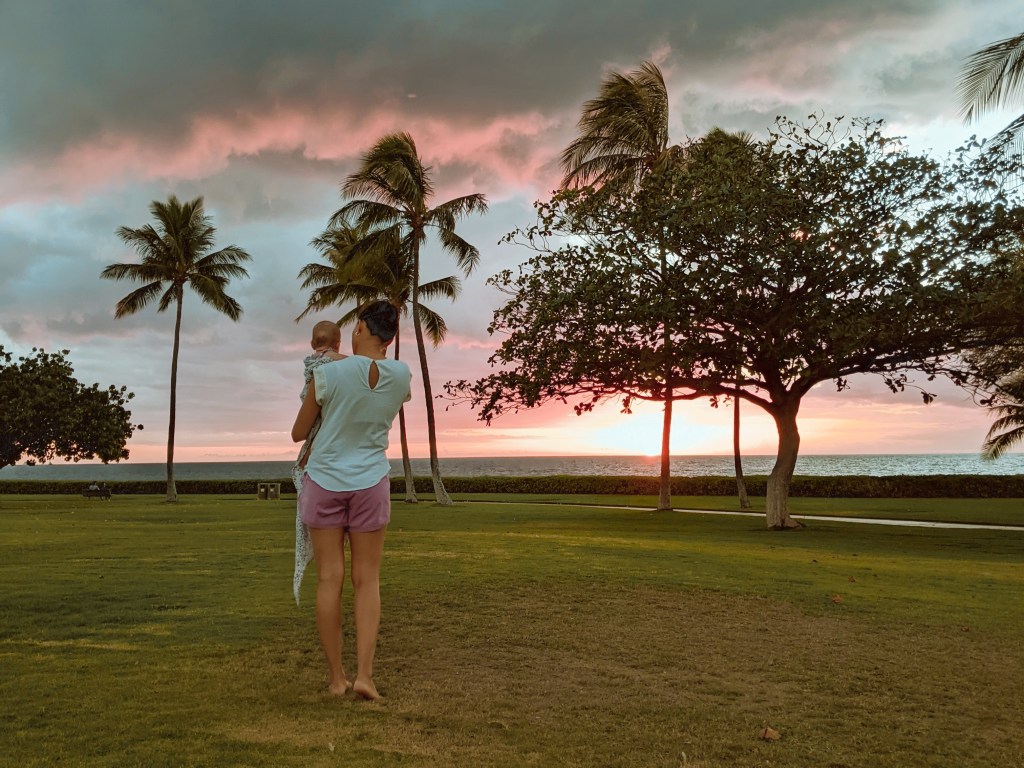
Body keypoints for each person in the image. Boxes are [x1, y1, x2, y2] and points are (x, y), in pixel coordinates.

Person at [291, 301, 411, 700]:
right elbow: (378, 380)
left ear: (359, 327)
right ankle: (365, 676)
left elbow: (299, 431)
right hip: (371, 480)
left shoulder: (327, 374)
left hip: (325, 478)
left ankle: (336, 679)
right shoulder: (401, 375)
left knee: (330, 578)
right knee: (368, 579)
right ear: (390, 337)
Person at [292, 320, 346, 604]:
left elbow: (299, 431)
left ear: (313, 343)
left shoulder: (315, 368)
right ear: (339, 342)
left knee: (329, 572)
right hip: (358, 468)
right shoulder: (353, 366)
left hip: (324, 463)